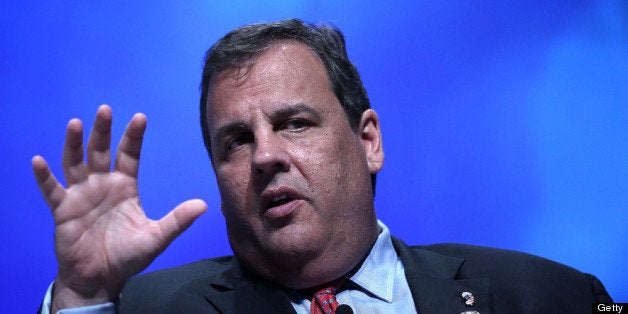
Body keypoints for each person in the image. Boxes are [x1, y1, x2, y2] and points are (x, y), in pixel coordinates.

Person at [34, 19, 612, 314]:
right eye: (235, 141)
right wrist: (85, 295)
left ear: (368, 141)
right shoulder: (140, 312)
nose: (264, 156)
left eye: (294, 123)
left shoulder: (552, 295)